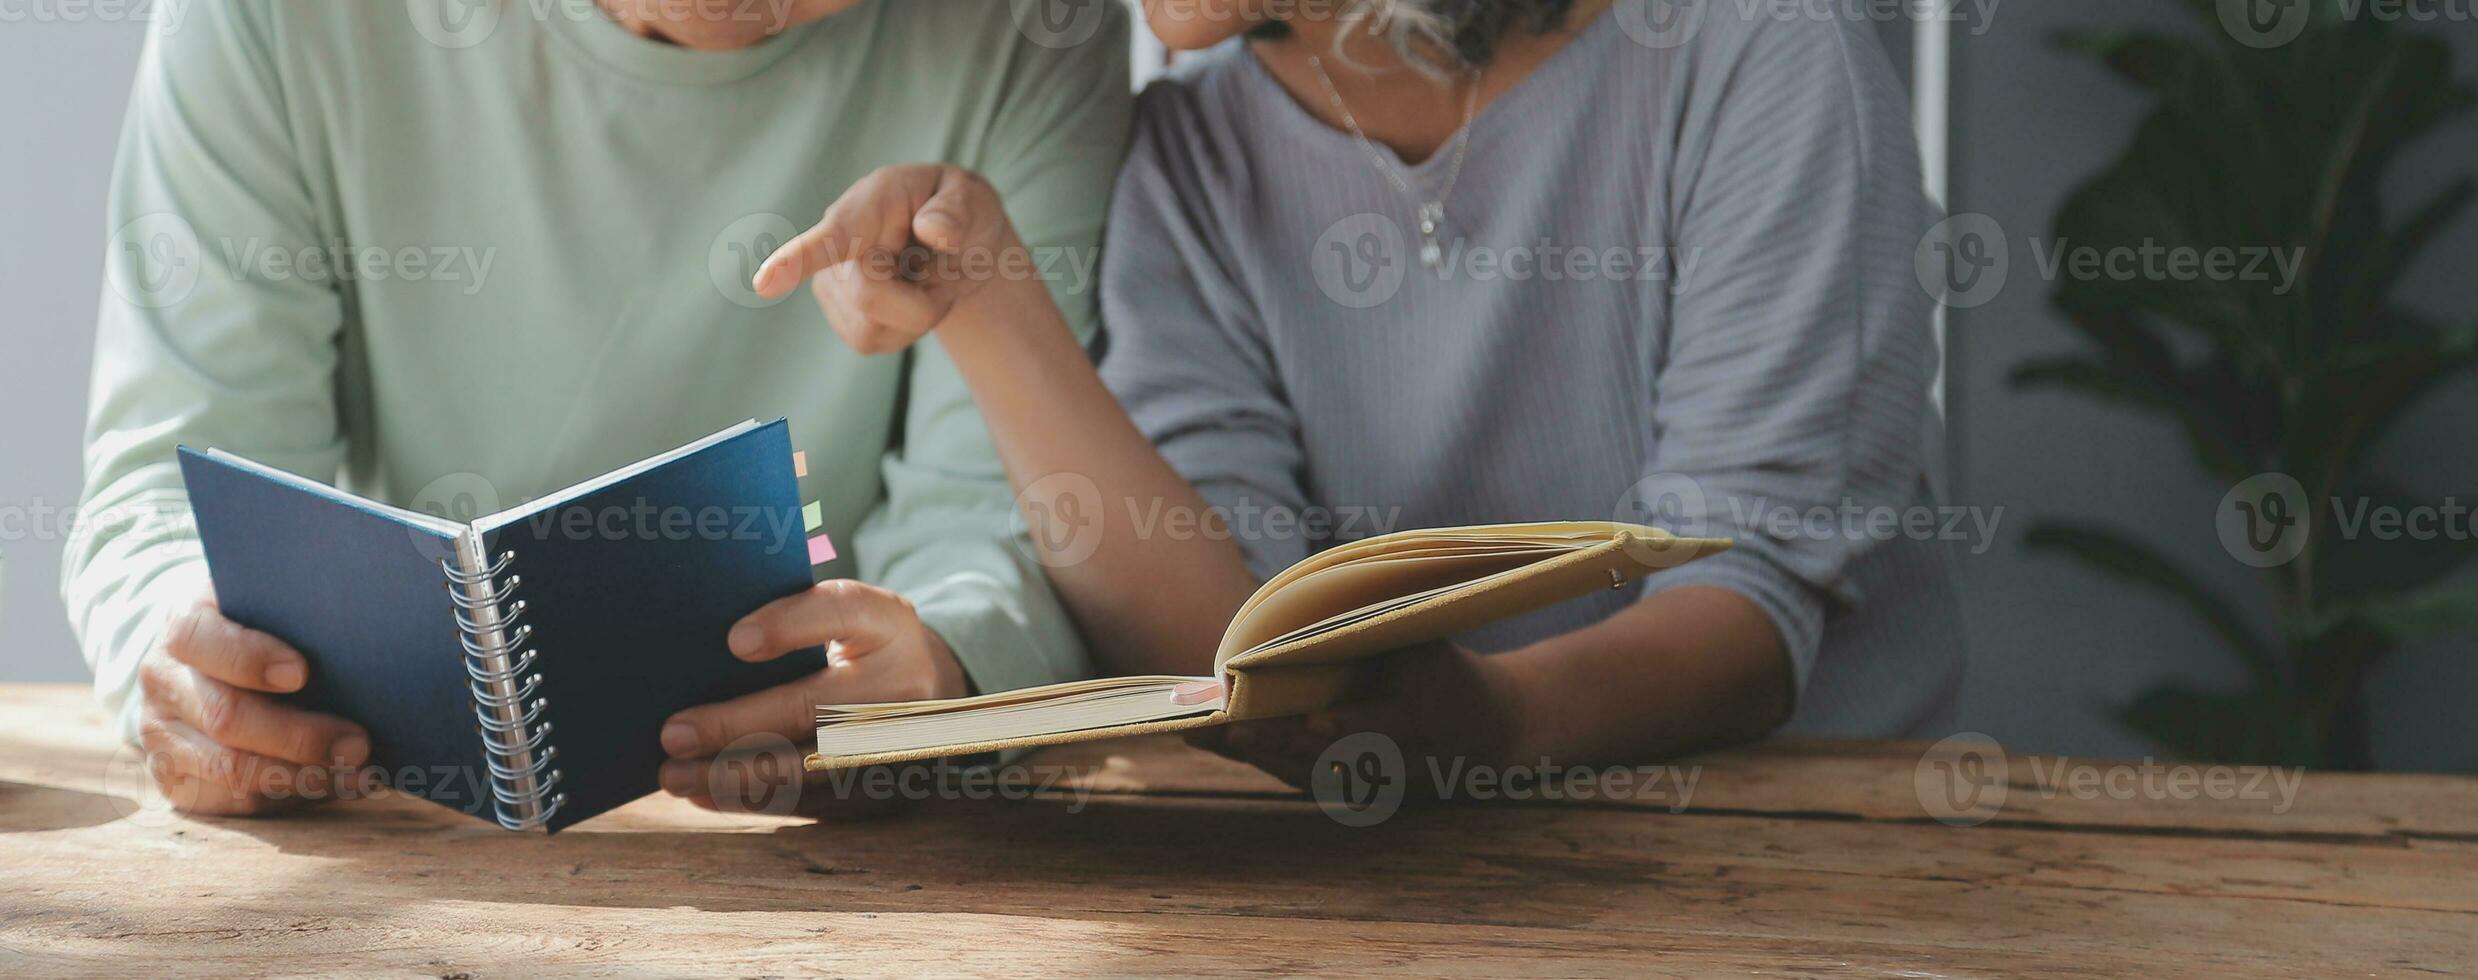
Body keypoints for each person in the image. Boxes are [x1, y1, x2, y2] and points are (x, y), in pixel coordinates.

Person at [754, 0, 1964, 788]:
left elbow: (1753, 600)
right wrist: (986, 298)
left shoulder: (1754, 53)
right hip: (1399, 867)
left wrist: (1491, 719)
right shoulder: (1192, 152)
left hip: (1785, 849)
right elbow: (1226, 629)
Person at [68, 0, 1129, 815]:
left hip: (828, 855)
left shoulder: (1028, 30)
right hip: (392, 820)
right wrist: (186, 659)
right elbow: (174, 482)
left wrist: (939, 665)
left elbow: (1007, 505)